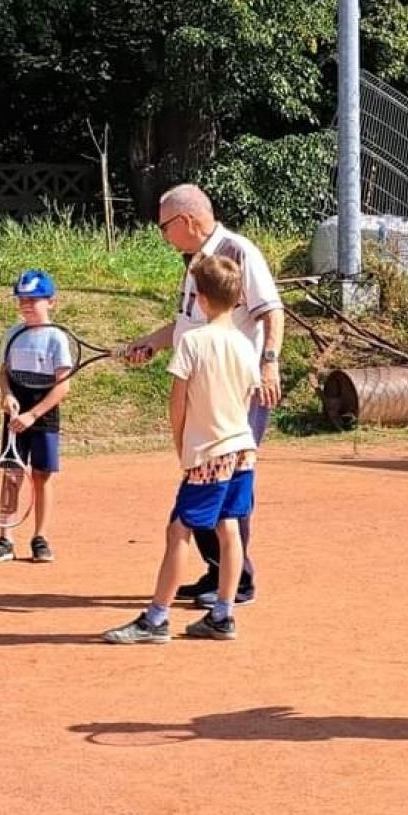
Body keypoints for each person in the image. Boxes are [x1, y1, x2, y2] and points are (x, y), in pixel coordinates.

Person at [121, 184, 283, 606]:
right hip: (205, 391)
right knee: (214, 481)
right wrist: (152, 343)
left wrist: (269, 362)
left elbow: (272, 311)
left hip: (236, 392)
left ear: (187, 221)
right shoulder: (195, 262)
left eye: (164, 227)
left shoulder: (238, 250)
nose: (163, 236)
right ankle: (218, 573)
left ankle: (238, 581)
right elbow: (186, 327)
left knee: (227, 483)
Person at [104, 255, 261, 643]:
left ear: (201, 299)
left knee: (178, 531)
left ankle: (156, 619)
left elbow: (178, 404)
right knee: (228, 527)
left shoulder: (192, 341)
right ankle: (222, 615)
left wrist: (183, 448)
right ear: (237, 297)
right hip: (242, 449)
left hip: (209, 453)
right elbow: (247, 400)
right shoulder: (244, 345)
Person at [0, 269, 73, 565]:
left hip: (42, 417)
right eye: (22, 300)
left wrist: (34, 415)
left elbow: (63, 386)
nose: (27, 306)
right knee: (10, 476)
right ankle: (5, 539)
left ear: (51, 302)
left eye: (34, 300)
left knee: (41, 477)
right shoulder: (13, 334)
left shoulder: (56, 338)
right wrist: (6, 395)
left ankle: (40, 538)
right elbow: (3, 374)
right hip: (15, 418)